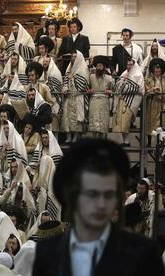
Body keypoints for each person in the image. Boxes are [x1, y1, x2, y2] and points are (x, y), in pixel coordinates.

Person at [33, 138, 164, 276]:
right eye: (92, 194)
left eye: (108, 195)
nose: (101, 204)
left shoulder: (144, 254)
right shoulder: (48, 253)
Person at [112, 58, 145, 146]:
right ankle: (124, 141)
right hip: (122, 100)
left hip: (131, 101)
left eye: (131, 65)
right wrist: (123, 80)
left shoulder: (138, 74)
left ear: (134, 65)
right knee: (121, 121)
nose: (129, 67)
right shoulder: (124, 73)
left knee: (126, 121)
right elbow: (117, 86)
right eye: (128, 65)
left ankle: (127, 141)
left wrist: (125, 82)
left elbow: (138, 89)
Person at [61, 50, 90, 144]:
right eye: (72, 56)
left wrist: (73, 78)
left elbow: (84, 85)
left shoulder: (83, 68)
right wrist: (65, 87)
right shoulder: (69, 67)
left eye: (75, 57)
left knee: (77, 118)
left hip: (78, 97)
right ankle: (69, 137)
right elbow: (65, 80)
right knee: (67, 117)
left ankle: (76, 137)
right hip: (69, 96)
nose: (73, 58)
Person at [88, 55, 115, 138]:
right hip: (93, 102)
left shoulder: (109, 78)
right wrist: (89, 91)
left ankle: (104, 141)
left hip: (104, 102)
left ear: (104, 67)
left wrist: (111, 91)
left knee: (103, 123)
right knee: (94, 122)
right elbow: (86, 89)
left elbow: (114, 91)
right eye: (97, 66)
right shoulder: (91, 77)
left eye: (100, 66)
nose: (98, 68)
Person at [145, 58, 165, 146]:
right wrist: (152, 90)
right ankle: (149, 142)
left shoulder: (164, 80)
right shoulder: (148, 80)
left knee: (161, 123)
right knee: (150, 123)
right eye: (156, 71)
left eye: (159, 71)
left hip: (162, 104)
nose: (157, 73)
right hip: (151, 103)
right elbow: (145, 91)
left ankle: (160, 142)